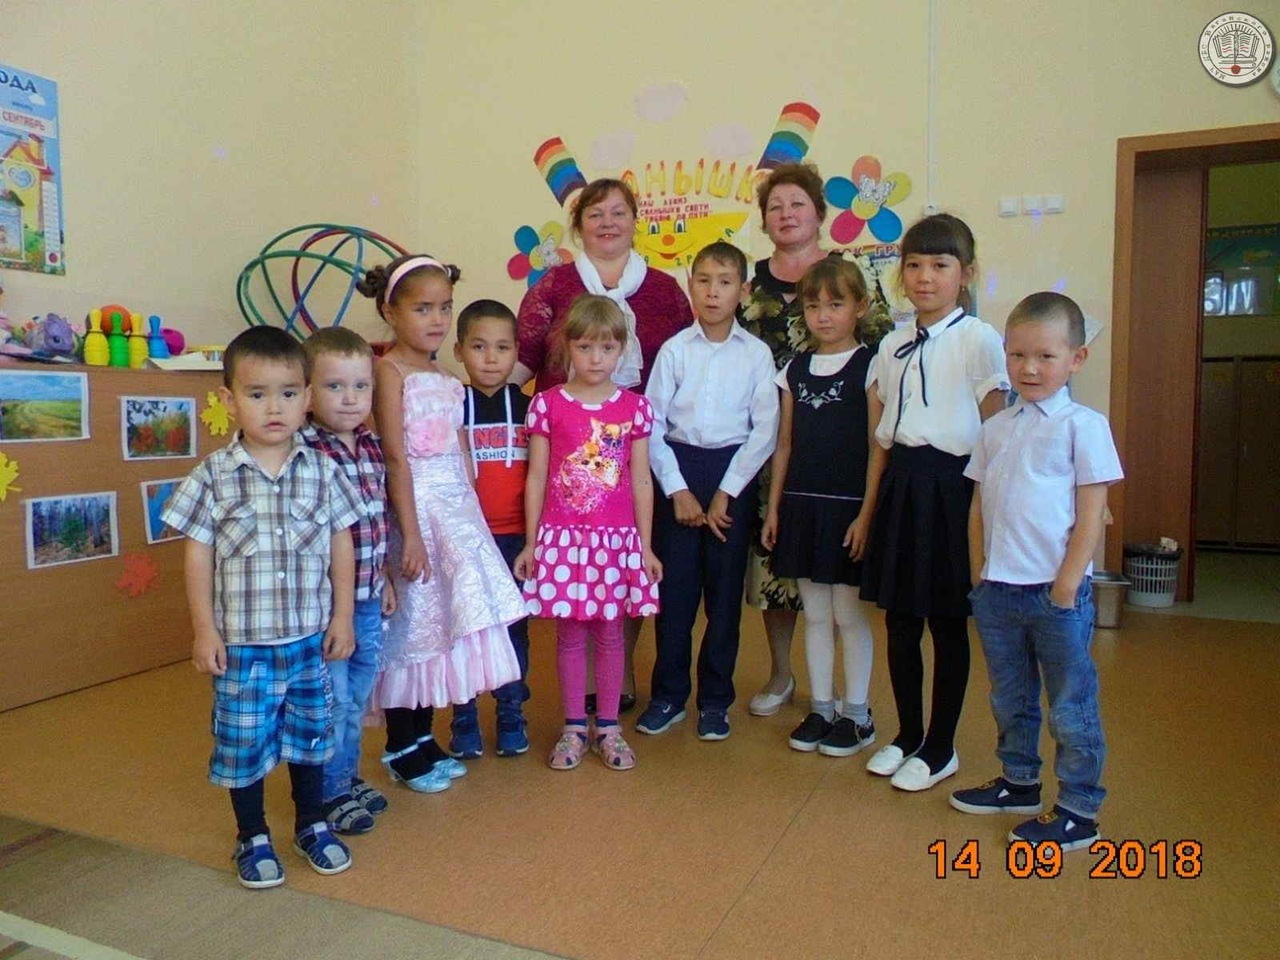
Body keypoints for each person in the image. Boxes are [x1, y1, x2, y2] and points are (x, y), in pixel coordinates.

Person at [162, 325, 365, 889]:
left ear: (307, 397)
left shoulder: (323, 471)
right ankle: (251, 834)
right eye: (257, 394)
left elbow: (341, 545)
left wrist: (343, 617)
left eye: (288, 393)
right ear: (229, 400)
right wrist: (204, 631)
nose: (274, 408)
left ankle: (312, 823)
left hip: (307, 641)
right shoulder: (213, 476)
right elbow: (198, 557)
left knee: (311, 739)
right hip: (244, 648)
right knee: (242, 745)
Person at [950, 291, 1122, 851]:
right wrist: (979, 574)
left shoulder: (1083, 426)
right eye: (1018, 355)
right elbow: (978, 506)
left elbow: (1092, 512)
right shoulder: (996, 427)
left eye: (1046, 356)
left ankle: (1078, 809)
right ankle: (1019, 781)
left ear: (1077, 358)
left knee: (1070, 704)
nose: (1029, 368)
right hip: (998, 591)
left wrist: (1067, 586)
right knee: (1010, 697)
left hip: (1055, 595)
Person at [515, 177, 693, 711]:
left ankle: (619, 675)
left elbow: (685, 362)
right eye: (595, 214)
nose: (608, 223)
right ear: (579, 225)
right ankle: (582, 693)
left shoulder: (664, 289)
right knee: (577, 583)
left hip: (640, 441)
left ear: (636, 221)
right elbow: (522, 358)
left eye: (619, 212)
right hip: (567, 446)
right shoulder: (553, 286)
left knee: (624, 560)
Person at [852, 213, 1009, 792]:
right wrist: (867, 512)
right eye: (914, 265)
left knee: (946, 622)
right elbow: (882, 439)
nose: (925, 277)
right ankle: (907, 734)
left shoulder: (979, 339)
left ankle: (941, 746)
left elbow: (996, 435)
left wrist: (990, 521)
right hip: (903, 485)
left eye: (940, 265)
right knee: (899, 620)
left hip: (954, 489)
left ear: (965, 273)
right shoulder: (891, 345)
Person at [363, 254, 525, 794]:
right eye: (422, 308)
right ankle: (400, 746)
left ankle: (425, 738)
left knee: (444, 627)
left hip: (455, 513)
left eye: (444, 308)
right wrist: (409, 535)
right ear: (391, 311)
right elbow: (395, 458)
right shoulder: (388, 373)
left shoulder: (447, 378)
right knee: (411, 630)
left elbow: (462, 453)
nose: (436, 319)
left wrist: (472, 518)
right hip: (416, 513)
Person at [637, 242, 778, 741]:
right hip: (677, 469)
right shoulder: (675, 350)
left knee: (723, 599)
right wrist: (676, 489)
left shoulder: (757, 355)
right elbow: (651, 425)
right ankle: (668, 695)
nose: (713, 292)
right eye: (703, 280)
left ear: (743, 291)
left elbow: (764, 430)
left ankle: (715, 701)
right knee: (674, 596)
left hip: (731, 472)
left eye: (724, 282)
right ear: (690, 286)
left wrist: (727, 492)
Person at [515, 294, 662, 771]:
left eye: (607, 348)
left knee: (612, 633)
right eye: (584, 347)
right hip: (563, 540)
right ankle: (574, 726)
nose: (596, 358)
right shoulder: (547, 405)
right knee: (571, 634)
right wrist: (532, 542)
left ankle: (609, 727)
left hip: (616, 543)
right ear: (567, 348)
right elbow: (537, 476)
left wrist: (645, 546)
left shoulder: (635, 408)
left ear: (622, 349)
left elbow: (641, 479)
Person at [762, 258, 878, 756]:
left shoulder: (872, 366)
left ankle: (858, 713)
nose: (824, 316)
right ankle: (822, 707)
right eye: (813, 306)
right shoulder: (794, 370)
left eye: (836, 304)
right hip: (802, 508)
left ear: (860, 307)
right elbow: (784, 445)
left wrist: (867, 515)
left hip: (848, 510)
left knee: (848, 615)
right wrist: (774, 509)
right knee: (813, 613)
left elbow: (877, 447)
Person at [738, 162, 831, 718]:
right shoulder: (748, 286)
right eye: (776, 206)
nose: (787, 214)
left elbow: (876, 359)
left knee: (828, 570)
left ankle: (832, 683)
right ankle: (781, 673)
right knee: (774, 567)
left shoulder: (847, 279)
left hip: (831, 445)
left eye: (797, 204)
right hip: (766, 446)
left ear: (818, 213)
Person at [298, 327, 396, 836]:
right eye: (335, 386)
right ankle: (327, 792)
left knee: (358, 698)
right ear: (308, 393)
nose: (350, 398)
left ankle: (345, 776)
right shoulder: (303, 451)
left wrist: (385, 579)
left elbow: (379, 522)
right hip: (327, 607)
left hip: (368, 598)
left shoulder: (372, 446)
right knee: (332, 701)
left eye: (361, 386)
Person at [450, 298, 532, 758]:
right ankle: (464, 720)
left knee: (513, 631)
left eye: (502, 347)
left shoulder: (531, 408)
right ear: (459, 350)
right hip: (464, 540)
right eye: (478, 346)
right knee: (465, 631)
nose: (490, 358)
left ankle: (511, 714)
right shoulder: (448, 407)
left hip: (515, 539)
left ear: (516, 352)